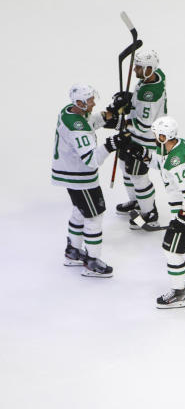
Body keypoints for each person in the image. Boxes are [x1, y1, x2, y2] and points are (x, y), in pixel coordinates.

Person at [123, 116, 185, 308]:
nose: (155, 137)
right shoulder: (176, 146)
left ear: (164, 136)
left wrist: (184, 214)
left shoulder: (177, 161)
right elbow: (161, 163)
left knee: (171, 250)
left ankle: (178, 294)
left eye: (157, 135)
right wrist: (144, 154)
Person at [51, 83, 128, 277]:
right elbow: (92, 160)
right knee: (94, 215)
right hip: (80, 177)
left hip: (70, 173)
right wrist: (112, 144)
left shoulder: (70, 111)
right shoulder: (77, 128)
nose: (94, 103)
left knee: (80, 210)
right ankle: (92, 261)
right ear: (79, 102)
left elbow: (91, 121)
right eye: (90, 100)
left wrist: (111, 112)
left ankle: (73, 251)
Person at [112, 48, 167, 230]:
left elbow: (144, 125)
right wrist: (130, 100)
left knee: (138, 175)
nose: (134, 70)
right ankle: (136, 202)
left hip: (144, 140)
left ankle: (149, 214)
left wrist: (121, 120)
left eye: (138, 67)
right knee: (125, 169)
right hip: (133, 136)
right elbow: (139, 105)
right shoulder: (154, 76)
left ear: (149, 69)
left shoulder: (149, 95)